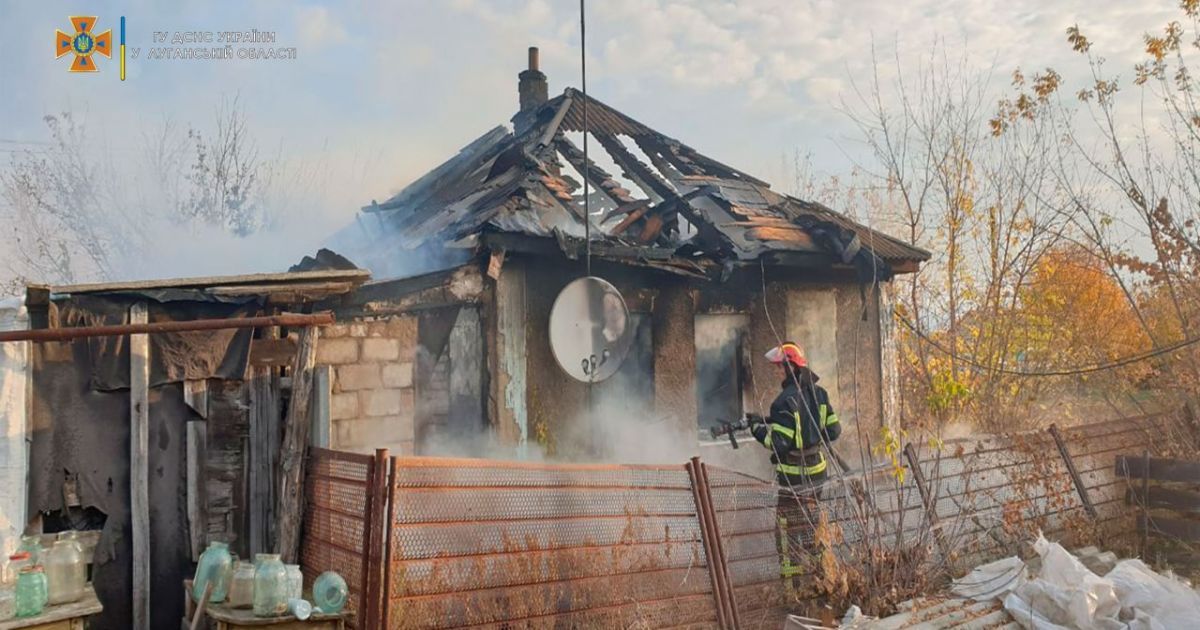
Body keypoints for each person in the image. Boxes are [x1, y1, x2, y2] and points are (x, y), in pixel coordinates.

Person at [748, 341, 841, 582]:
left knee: (787, 530)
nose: (776, 371)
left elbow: (777, 444)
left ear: (791, 369)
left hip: (793, 480)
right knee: (813, 524)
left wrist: (757, 431)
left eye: (779, 367)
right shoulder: (820, 394)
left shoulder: (782, 403)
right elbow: (833, 431)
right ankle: (821, 575)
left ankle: (794, 584)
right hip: (818, 474)